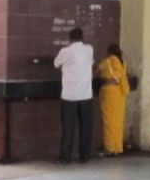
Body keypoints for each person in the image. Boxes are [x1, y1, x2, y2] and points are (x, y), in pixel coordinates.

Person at [54, 27, 95, 164]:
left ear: (70, 38)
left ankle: (66, 158)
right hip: (86, 95)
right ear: (82, 37)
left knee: (68, 128)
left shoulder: (65, 51)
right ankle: (85, 157)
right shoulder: (89, 49)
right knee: (86, 127)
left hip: (69, 95)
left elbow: (56, 63)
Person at [96, 44, 130, 156]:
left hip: (108, 92)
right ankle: (117, 148)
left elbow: (97, 71)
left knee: (108, 121)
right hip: (120, 93)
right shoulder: (123, 63)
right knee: (118, 120)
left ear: (109, 52)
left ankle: (109, 148)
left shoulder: (107, 62)